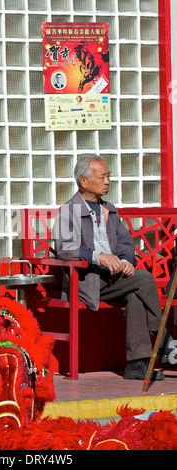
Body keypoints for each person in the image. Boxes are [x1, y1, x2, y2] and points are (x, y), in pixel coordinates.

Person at [53, 153, 174, 380]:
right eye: (102, 177)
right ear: (84, 181)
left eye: (108, 176)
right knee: (145, 279)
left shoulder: (109, 209)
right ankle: (163, 339)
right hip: (86, 282)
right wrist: (99, 257)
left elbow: (126, 244)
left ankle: (137, 365)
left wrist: (127, 261)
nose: (107, 181)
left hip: (113, 280)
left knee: (136, 295)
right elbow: (64, 248)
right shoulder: (68, 211)